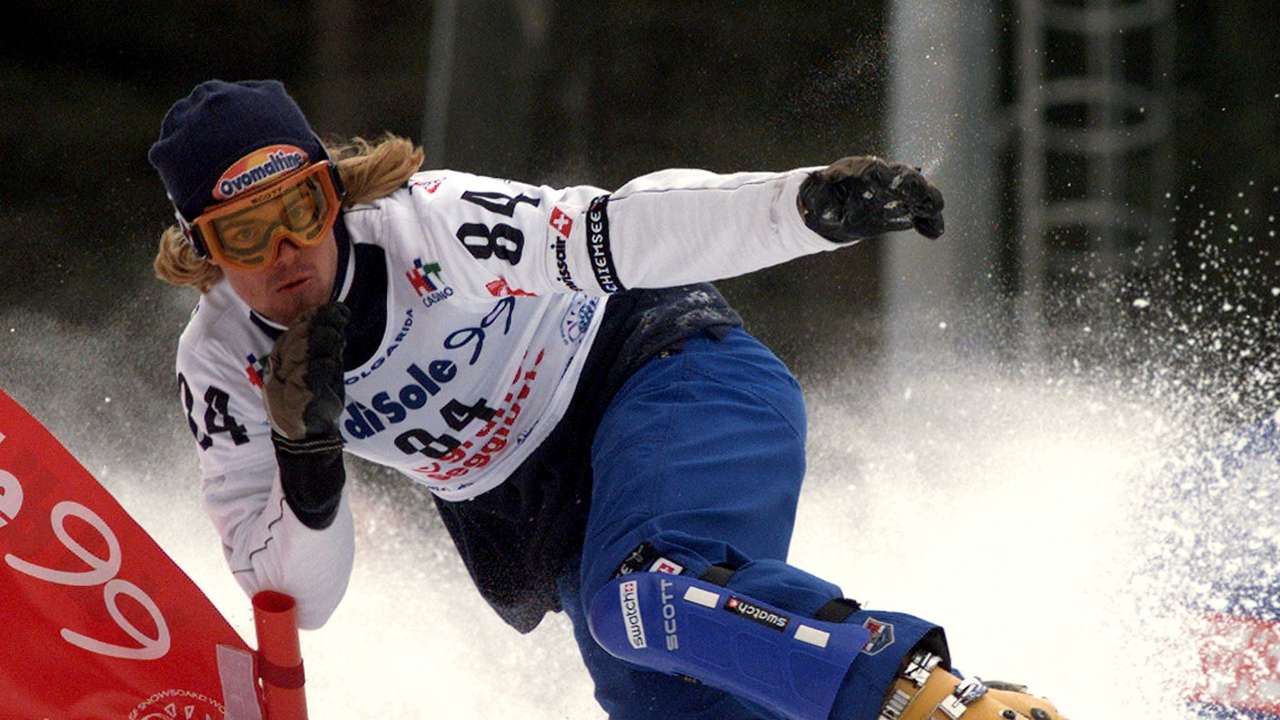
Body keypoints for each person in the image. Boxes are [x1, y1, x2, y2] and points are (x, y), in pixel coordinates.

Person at [149, 79, 1066, 720]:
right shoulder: (225, 368)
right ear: (203, 249)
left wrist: (803, 208)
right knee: (662, 692)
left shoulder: (429, 227)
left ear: (334, 193)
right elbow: (300, 604)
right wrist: (310, 472)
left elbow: (620, 229)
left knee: (643, 597)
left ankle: (928, 701)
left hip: (658, 371)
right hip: (547, 512)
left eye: (302, 210)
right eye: (244, 232)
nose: (285, 254)